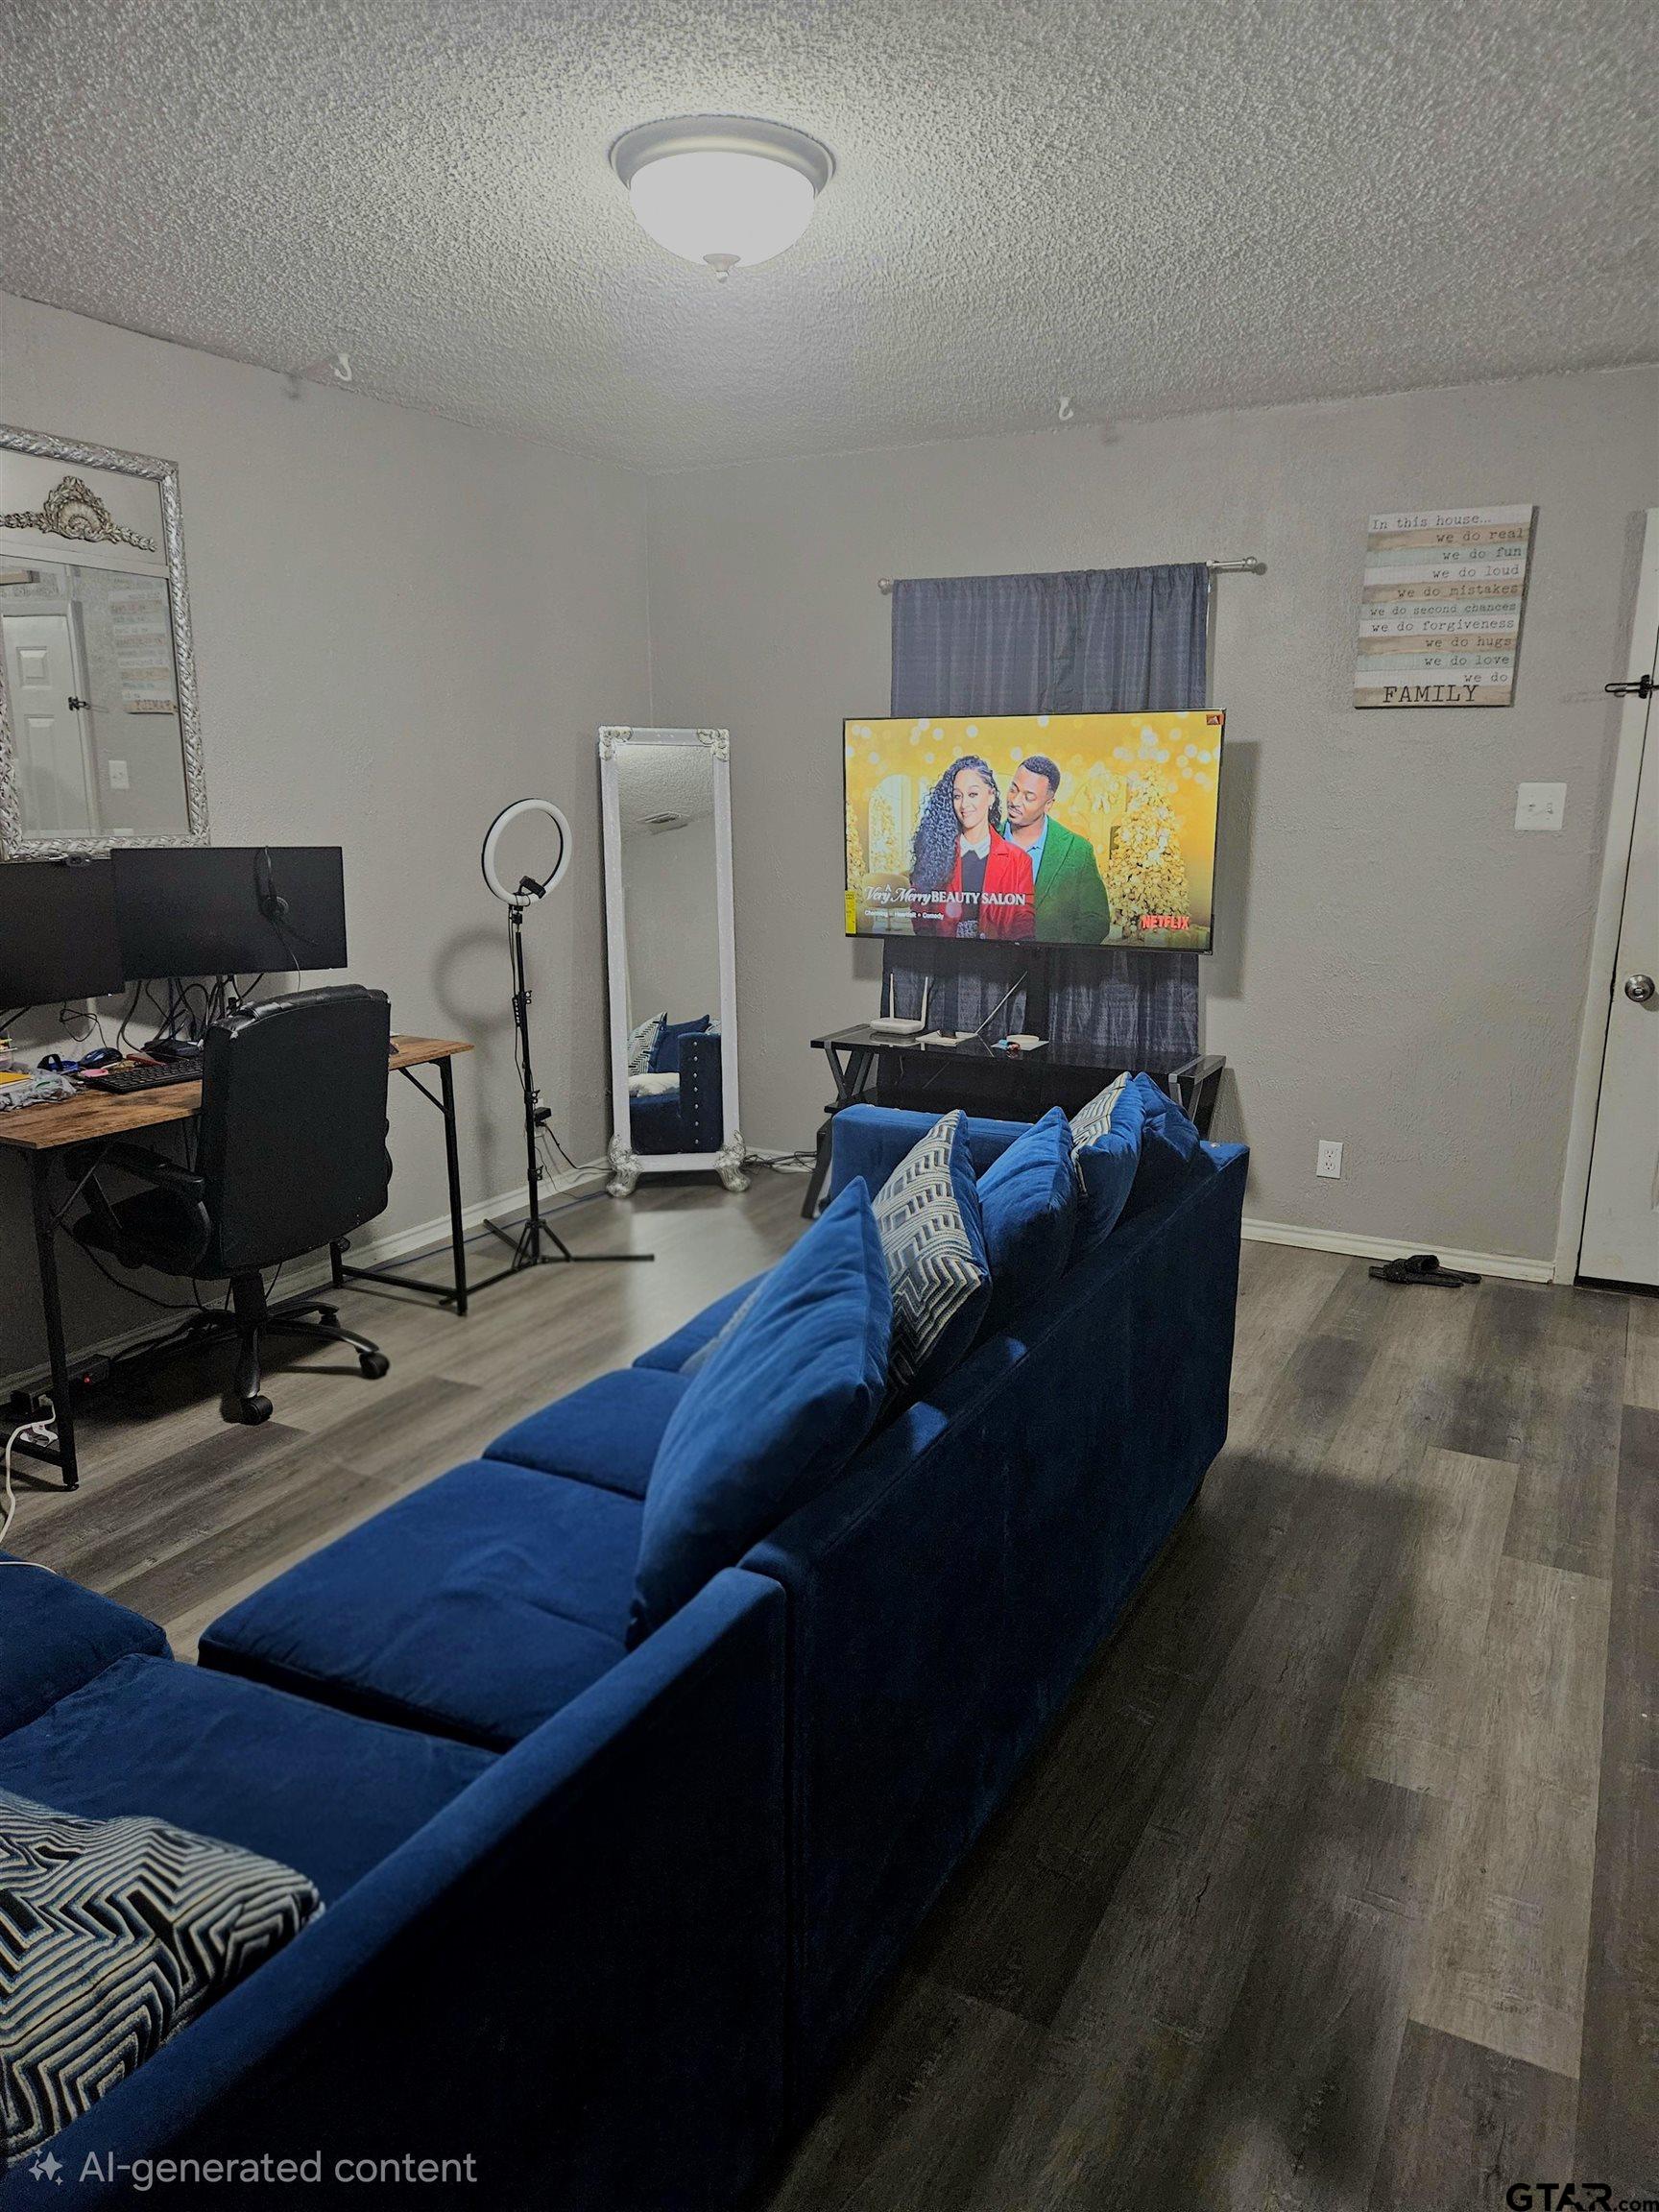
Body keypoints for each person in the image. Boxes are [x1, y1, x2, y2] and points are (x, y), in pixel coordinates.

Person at [908, 756, 1035, 940]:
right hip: (944, 959)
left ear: (991, 796)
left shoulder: (1019, 861)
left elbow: (1024, 925)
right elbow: (920, 917)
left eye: (973, 794)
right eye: (957, 796)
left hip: (998, 961)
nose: (964, 805)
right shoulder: (935, 853)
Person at [1003, 754, 1112, 944]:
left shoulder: (1077, 850)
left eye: (1029, 797)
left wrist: (1057, 956)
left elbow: (1096, 920)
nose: (1015, 801)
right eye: (1013, 789)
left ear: (1048, 805)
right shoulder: (983, 839)